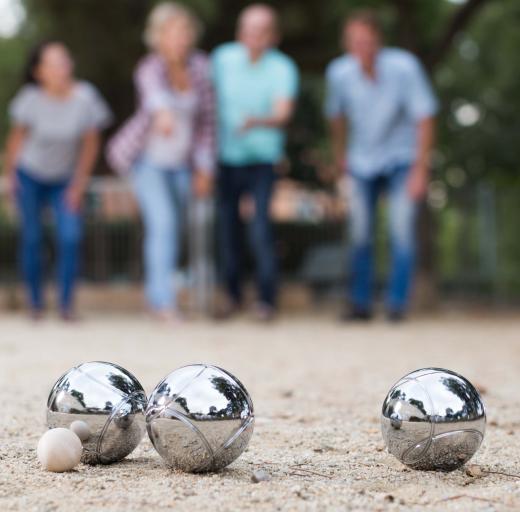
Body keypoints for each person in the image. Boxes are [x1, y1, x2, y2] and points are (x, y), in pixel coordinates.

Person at [325, 10, 438, 322]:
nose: (361, 48)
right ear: (346, 44)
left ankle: (396, 304)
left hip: (402, 158)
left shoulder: (404, 67)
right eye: (354, 42)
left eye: (367, 41)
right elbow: (336, 117)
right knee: (360, 232)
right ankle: (360, 303)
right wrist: (340, 157)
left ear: (379, 40)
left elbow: (425, 118)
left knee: (401, 230)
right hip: (361, 160)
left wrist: (420, 168)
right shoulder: (339, 73)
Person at [107, 2, 215, 322]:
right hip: (148, 161)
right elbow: (154, 97)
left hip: (182, 163)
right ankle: (163, 302)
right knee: (163, 225)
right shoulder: (149, 67)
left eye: (184, 31)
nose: (180, 38)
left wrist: (205, 167)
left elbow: (207, 122)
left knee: (175, 228)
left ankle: (157, 294)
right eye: (173, 32)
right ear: (159, 37)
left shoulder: (201, 68)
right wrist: (164, 112)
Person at [3, 41, 111, 321]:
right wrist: (10, 177)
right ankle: (35, 304)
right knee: (32, 237)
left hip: (65, 178)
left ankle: (66, 305)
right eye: (53, 63)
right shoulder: (29, 98)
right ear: (39, 71)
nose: (62, 67)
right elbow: (15, 141)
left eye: (64, 60)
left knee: (70, 237)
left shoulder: (86, 97)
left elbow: (90, 144)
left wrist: (78, 184)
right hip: (30, 175)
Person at [212, 4, 299, 321]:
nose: (253, 36)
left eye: (261, 30)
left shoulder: (282, 67)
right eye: (248, 29)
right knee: (227, 229)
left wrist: (257, 122)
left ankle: (266, 300)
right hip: (225, 158)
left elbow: (283, 113)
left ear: (273, 36)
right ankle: (232, 296)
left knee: (260, 228)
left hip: (263, 158)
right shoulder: (222, 59)